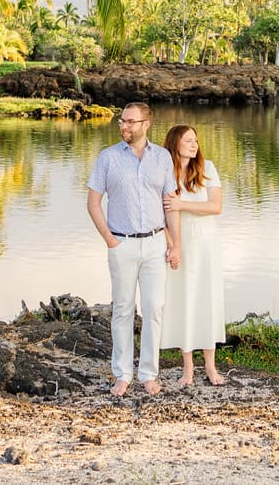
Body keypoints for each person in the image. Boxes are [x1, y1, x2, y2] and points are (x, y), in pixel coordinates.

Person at [86, 101, 180, 396]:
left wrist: (175, 244)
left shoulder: (163, 157)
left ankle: (149, 374)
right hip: (121, 243)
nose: (124, 126)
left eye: (130, 122)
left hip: (155, 244)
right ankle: (122, 375)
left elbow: (170, 204)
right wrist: (110, 240)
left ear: (145, 125)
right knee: (123, 309)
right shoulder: (108, 158)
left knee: (154, 308)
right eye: (122, 121)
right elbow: (93, 202)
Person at [160, 123, 226, 387]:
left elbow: (215, 206)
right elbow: (162, 215)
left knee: (207, 299)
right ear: (175, 143)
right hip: (180, 242)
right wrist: (171, 245)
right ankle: (188, 369)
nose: (193, 144)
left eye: (195, 140)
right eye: (188, 140)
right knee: (183, 300)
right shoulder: (165, 173)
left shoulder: (207, 168)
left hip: (206, 243)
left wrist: (182, 203)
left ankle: (210, 366)